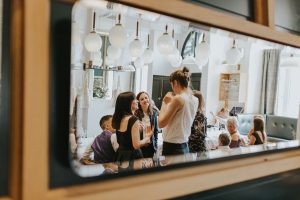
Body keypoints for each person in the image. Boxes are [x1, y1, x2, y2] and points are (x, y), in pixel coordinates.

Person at [158, 67, 198, 156]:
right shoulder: (195, 99)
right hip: (184, 144)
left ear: (175, 82)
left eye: (172, 85)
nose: (173, 89)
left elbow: (161, 123)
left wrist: (164, 102)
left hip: (172, 146)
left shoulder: (178, 99)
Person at [112, 92, 152, 170]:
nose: (137, 101)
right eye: (134, 99)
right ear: (128, 103)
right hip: (133, 156)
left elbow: (124, 137)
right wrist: (147, 138)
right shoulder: (133, 119)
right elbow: (136, 145)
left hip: (121, 155)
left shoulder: (119, 118)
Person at [135, 91, 159, 158]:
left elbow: (155, 131)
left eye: (146, 98)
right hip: (140, 146)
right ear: (139, 102)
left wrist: (155, 146)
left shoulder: (154, 113)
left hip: (151, 146)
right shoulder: (135, 114)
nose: (145, 100)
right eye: (142, 99)